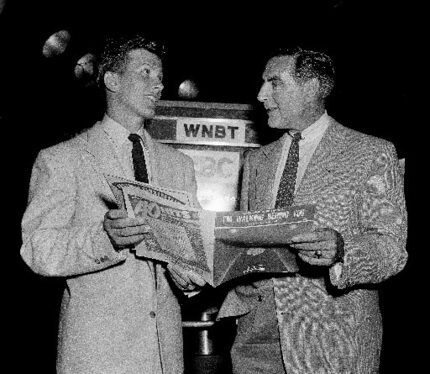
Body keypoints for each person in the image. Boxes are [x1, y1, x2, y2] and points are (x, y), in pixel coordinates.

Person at [20, 33, 205, 374]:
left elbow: (189, 263)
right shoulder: (62, 160)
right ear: (112, 80)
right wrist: (105, 238)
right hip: (96, 355)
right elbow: (38, 249)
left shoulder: (180, 166)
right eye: (146, 73)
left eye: (161, 77)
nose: (158, 85)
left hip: (165, 358)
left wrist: (189, 278)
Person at [218, 46, 408, 373]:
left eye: (274, 83)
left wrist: (342, 250)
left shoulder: (372, 153)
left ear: (311, 88)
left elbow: (392, 249)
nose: (261, 94)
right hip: (256, 338)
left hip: (332, 340)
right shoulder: (256, 161)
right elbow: (245, 247)